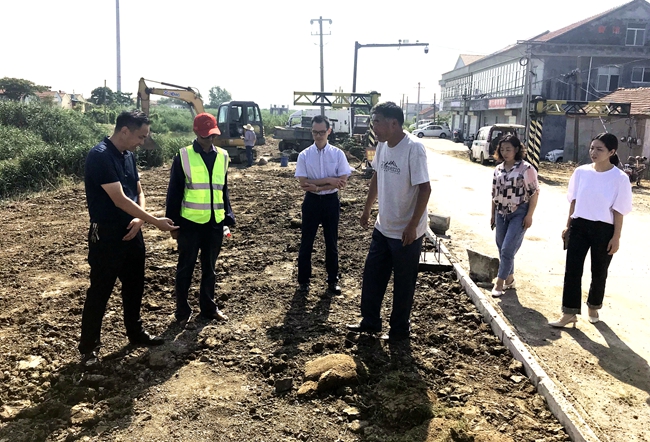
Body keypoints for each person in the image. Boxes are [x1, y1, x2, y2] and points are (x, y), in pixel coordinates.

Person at [80, 110, 179, 367]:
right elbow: (119, 199)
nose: (142, 142)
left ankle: (135, 333)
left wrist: (141, 220)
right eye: (140, 136)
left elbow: (138, 191)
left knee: (135, 285)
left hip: (133, 231)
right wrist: (155, 221)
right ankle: (89, 347)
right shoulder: (100, 156)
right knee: (100, 290)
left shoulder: (128, 156)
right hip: (107, 235)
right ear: (124, 131)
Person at [347, 102, 431, 341]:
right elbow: (377, 175)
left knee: (403, 284)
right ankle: (370, 322)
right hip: (383, 227)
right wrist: (367, 209)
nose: (374, 127)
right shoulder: (382, 145)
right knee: (372, 276)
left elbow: (425, 189)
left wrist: (412, 225)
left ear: (393, 123)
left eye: (377, 122)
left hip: (406, 232)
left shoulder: (414, 148)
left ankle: (399, 331)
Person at [550, 133, 633, 327]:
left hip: (603, 230)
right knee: (572, 270)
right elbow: (574, 201)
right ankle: (569, 312)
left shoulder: (620, 178)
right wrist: (568, 225)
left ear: (611, 152)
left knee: (599, 270)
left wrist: (616, 237)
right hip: (579, 225)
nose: (593, 152)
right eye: (592, 148)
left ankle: (594, 305)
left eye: (599, 149)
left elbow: (619, 211)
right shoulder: (581, 172)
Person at [166, 113, 235, 330]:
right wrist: (173, 224)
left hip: (214, 223)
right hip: (190, 223)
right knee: (185, 268)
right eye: (206, 136)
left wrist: (228, 216)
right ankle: (182, 311)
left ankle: (209, 308)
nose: (209, 139)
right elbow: (174, 192)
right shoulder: (183, 156)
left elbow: (222, 189)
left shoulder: (223, 156)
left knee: (210, 269)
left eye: (213, 135)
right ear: (196, 132)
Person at [295, 115, 353, 295]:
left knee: (331, 242)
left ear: (329, 131)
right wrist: (329, 180)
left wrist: (319, 186)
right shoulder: (304, 155)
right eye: (315, 132)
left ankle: (333, 280)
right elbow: (303, 182)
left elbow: (341, 182)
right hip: (311, 202)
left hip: (330, 202)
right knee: (306, 242)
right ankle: (303, 281)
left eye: (321, 132)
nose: (318, 136)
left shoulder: (338, 154)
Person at [490, 134, 539, 297]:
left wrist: (529, 215)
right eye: (502, 149)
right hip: (500, 212)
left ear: (516, 149)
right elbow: (494, 193)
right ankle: (510, 279)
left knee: (507, 248)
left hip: (519, 212)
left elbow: (534, 193)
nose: (505, 153)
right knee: (501, 247)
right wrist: (492, 214)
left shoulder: (526, 169)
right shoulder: (498, 169)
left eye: (508, 149)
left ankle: (499, 283)